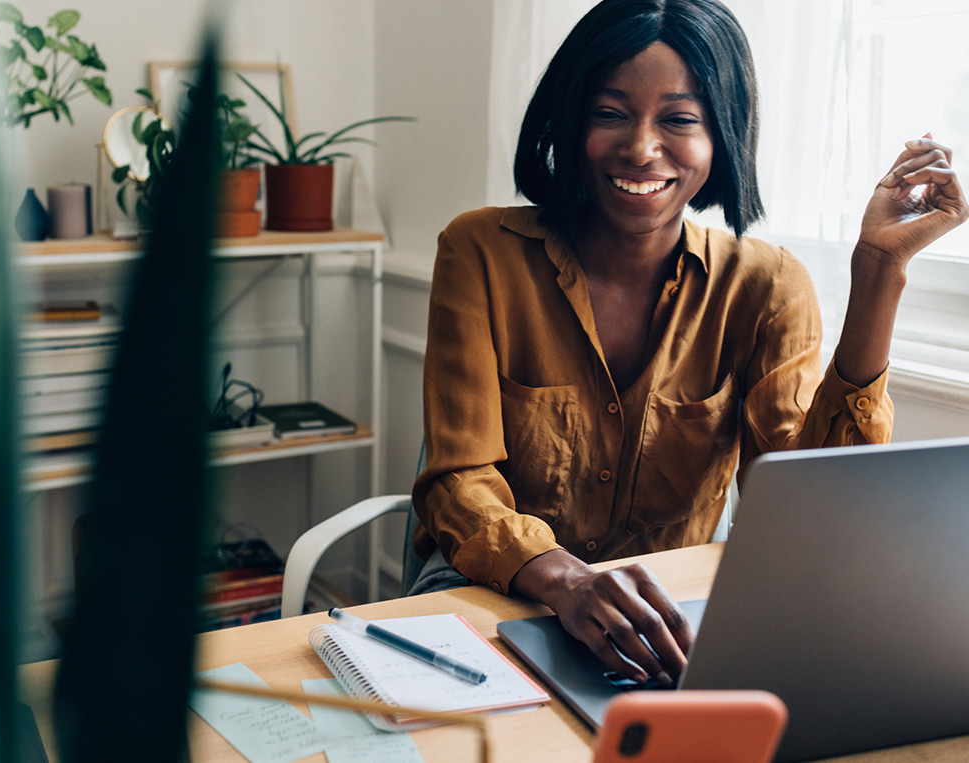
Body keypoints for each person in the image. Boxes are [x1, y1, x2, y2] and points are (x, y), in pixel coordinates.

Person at [411, 0, 967, 689]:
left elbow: (814, 511)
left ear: (722, 134)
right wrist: (567, 581)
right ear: (570, 119)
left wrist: (879, 270)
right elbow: (458, 481)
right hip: (495, 588)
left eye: (678, 119)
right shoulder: (480, 251)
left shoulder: (767, 284)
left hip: (667, 613)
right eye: (609, 112)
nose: (641, 148)